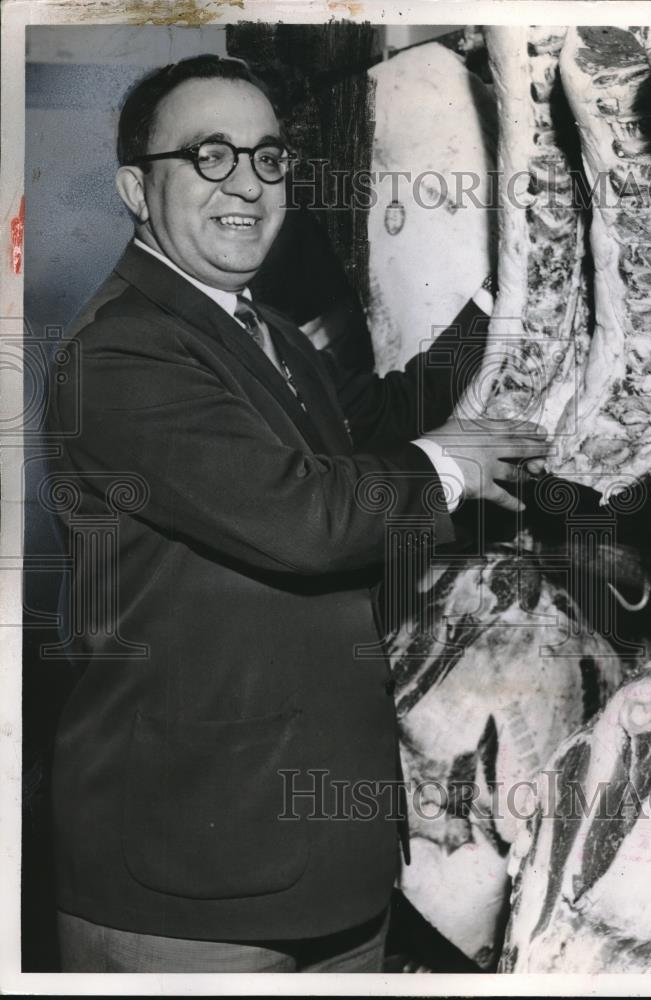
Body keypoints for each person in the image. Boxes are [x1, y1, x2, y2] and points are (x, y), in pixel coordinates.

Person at [46, 54, 547, 973]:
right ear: (134, 188)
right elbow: (305, 516)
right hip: (194, 882)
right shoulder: (119, 356)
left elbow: (372, 428)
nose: (246, 182)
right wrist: (451, 465)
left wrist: (507, 300)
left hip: (323, 870)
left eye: (268, 158)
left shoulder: (257, 328)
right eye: (209, 156)